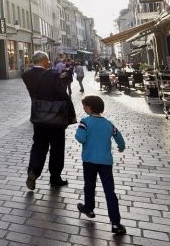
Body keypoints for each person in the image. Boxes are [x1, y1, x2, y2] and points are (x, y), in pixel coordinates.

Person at [22, 51, 75, 191]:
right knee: (57, 148)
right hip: (55, 117)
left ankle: (33, 171)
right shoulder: (52, 75)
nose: (49, 62)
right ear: (44, 60)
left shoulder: (26, 75)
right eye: (48, 60)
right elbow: (62, 94)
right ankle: (55, 177)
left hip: (38, 117)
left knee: (39, 146)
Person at [75, 95, 127, 236]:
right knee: (109, 191)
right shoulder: (109, 124)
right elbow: (119, 137)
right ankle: (116, 223)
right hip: (105, 162)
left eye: (85, 105)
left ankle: (89, 208)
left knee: (89, 185)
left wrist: (81, 135)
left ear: (90, 108)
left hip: (89, 161)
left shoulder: (85, 122)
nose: (83, 108)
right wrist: (121, 147)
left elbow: (80, 138)